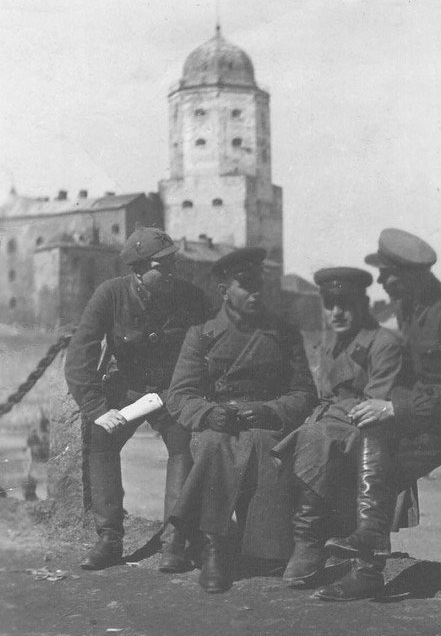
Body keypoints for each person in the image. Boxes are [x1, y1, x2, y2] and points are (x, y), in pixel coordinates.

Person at [315, 228, 441, 601]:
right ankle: (367, 554)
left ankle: (367, 563)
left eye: (387, 274)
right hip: (429, 410)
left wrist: (392, 408)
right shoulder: (409, 305)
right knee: (362, 439)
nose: (382, 281)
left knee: (378, 454)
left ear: (411, 275)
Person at [165, 248, 317, 593]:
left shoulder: (283, 333)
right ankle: (214, 548)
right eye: (246, 286)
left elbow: (305, 394)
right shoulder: (201, 334)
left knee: (267, 445)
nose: (256, 293)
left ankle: (264, 546)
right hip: (217, 424)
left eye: (259, 285)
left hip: (266, 423)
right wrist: (207, 413)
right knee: (215, 445)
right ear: (224, 291)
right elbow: (179, 394)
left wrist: (273, 410)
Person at [65, 228, 211, 571]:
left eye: (174, 261)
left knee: (184, 443)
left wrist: (187, 394)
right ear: (138, 270)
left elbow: (213, 350)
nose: (172, 270)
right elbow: (79, 356)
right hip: (127, 389)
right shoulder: (110, 295)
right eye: (163, 265)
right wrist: (96, 409)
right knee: (101, 438)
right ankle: (109, 539)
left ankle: (175, 540)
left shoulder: (191, 298)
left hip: (173, 391)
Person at [272, 267, 417, 585]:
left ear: (362, 304)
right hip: (335, 429)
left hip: (371, 435)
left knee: (315, 435)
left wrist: (327, 418)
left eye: (345, 304)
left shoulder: (383, 344)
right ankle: (295, 540)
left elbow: (373, 406)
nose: (336, 313)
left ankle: (307, 540)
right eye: (329, 305)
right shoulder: (332, 344)